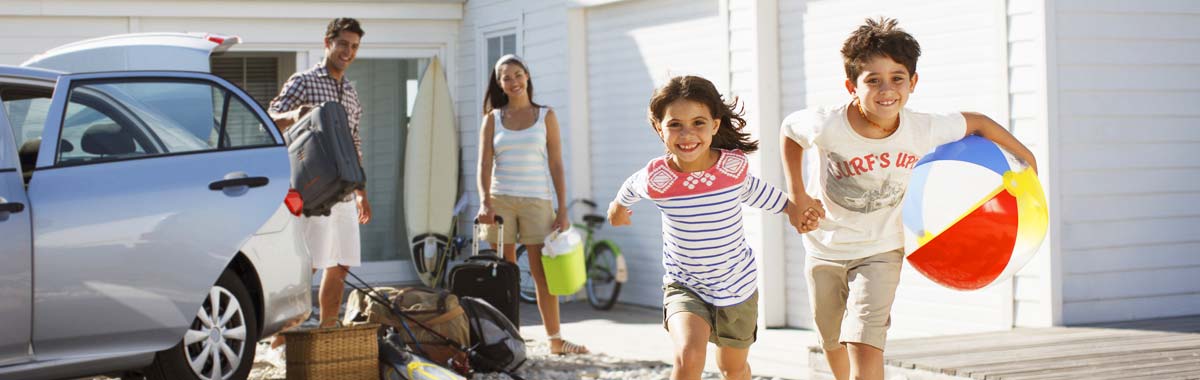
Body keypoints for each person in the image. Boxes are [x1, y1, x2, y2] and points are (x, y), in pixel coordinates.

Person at [779, 17, 1038, 380]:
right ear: (851, 85)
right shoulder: (827, 124)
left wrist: (1028, 158)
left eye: (897, 78)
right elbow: (790, 133)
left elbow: (978, 122)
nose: (887, 90)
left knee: (865, 338)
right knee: (832, 338)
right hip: (826, 248)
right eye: (873, 80)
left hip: (882, 250)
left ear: (913, 82)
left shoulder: (923, 127)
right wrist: (797, 194)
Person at [607, 75, 812, 380]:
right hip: (685, 285)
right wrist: (618, 210)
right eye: (675, 124)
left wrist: (795, 209)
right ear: (658, 128)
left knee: (733, 368)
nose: (687, 134)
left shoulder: (731, 169)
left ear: (715, 125)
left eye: (698, 123)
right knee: (689, 355)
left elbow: (761, 194)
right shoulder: (657, 178)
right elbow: (628, 190)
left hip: (737, 286)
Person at [263, 17, 372, 366]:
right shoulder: (304, 81)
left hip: (344, 191)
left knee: (340, 265)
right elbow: (269, 117)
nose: (348, 52)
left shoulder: (351, 92)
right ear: (328, 42)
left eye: (354, 46)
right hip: (313, 191)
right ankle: (279, 339)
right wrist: (297, 114)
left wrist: (361, 191)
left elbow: (354, 141)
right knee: (306, 267)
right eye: (343, 44)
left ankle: (327, 331)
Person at [475, 54, 588, 355]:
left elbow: (556, 164)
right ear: (499, 84)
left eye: (517, 74)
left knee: (542, 274)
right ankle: (510, 337)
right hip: (500, 203)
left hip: (538, 201)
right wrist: (485, 202)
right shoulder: (493, 119)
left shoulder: (546, 115)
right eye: (506, 77)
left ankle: (555, 340)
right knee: (505, 274)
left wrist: (563, 208)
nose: (513, 81)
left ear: (527, 76)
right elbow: (484, 164)